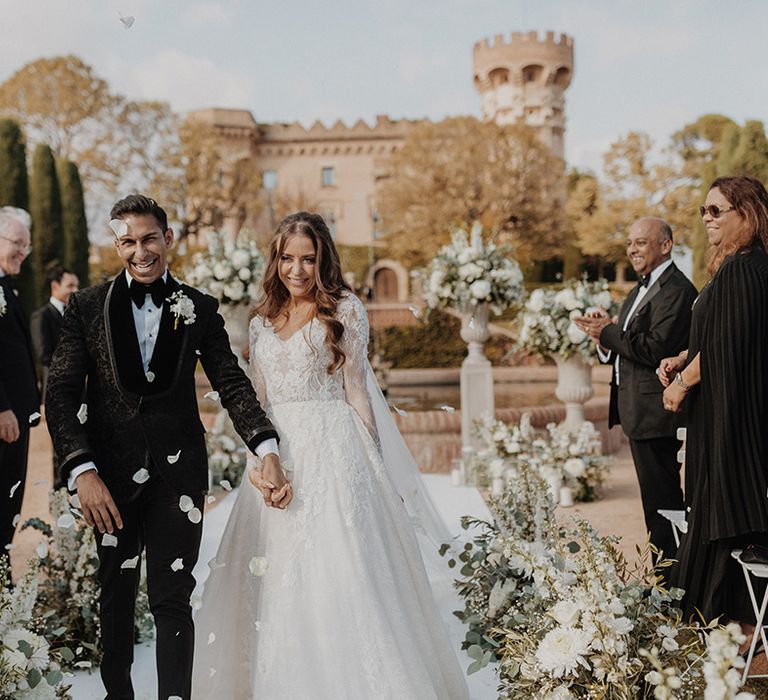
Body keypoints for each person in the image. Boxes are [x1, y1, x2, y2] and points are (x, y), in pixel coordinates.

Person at [192, 212, 469, 699]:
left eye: (308, 259)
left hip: (336, 453)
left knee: (344, 569)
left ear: (323, 261)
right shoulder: (260, 324)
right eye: (287, 258)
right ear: (275, 260)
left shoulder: (345, 309)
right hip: (278, 455)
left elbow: (358, 391)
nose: (296, 270)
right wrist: (258, 466)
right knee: (277, 574)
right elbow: (253, 402)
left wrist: (375, 467)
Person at [45, 194, 289, 700]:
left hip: (179, 477)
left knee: (173, 596)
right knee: (114, 596)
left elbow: (231, 382)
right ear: (117, 245)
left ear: (168, 238)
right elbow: (61, 393)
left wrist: (266, 446)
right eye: (128, 241)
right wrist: (82, 471)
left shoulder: (199, 308)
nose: (141, 250)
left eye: (149, 237)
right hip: (106, 480)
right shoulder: (86, 307)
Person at [659, 176, 768, 628]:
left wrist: (682, 381)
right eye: (703, 211)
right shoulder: (740, 266)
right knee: (713, 511)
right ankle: (729, 627)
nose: (706, 218)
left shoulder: (746, 266)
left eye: (716, 210)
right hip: (725, 415)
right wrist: (684, 356)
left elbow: (729, 346)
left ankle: (734, 627)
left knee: (724, 515)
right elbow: (726, 334)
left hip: (733, 423)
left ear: (747, 213)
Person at [575, 217, 697, 561]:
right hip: (637, 412)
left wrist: (608, 332)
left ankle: (672, 585)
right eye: (630, 243)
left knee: (664, 505)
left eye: (641, 242)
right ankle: (665, 582)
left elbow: (654, 348)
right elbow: (624, 344)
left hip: (656, 413)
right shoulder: (637, 289)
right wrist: (602, 336)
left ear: (666, 245)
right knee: (654, 506)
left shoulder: (677, 289)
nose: (632, 249)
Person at [0, 206, 39, 559]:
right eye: (17, 243)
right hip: (4, 417)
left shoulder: (6, 287)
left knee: (10, 501)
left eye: (26, 246)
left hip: (16, 416)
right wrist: (2, 407)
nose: (23, 253)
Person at [31, 265, 79, 402]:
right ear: (55, 286)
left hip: (79, 389)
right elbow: (44, 355)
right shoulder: (41, 316)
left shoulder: (77, 314)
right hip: (55, 387)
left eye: (77, 285)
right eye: (70, 286)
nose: (75, 290)